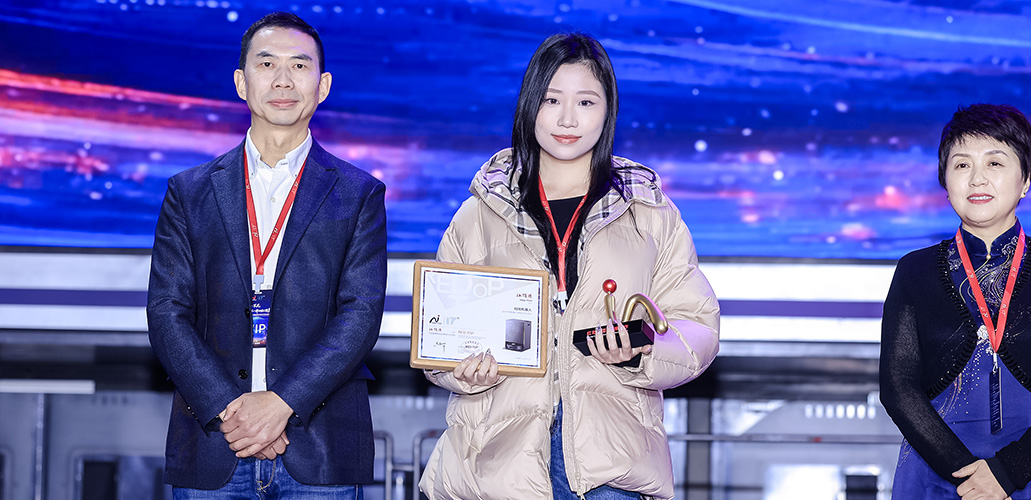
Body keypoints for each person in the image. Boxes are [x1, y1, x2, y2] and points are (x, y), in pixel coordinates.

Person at [418, 33, 720, 500]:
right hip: (498, 464)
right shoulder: (479, 214)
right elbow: (438, 334)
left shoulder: (649, 212)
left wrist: (641, 352)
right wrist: (460, 372)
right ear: (529, 106)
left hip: (611, 465)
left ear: (607, 111)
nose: (567, 119)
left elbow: (698, 327)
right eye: (551, 99)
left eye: (585, 102)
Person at [146, 12, 386, 498]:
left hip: (319, 447)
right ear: (241, 82)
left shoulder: (359, 193)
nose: (282, 80)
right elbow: (167, 311)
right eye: (267, 63)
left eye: (299, 66)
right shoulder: (189, 192)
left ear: (322, 86)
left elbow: (360, 315)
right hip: (215, 440)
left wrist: (281, 404)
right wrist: (232, 412)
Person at [879, 104, 1031, 499]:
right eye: (962, 165)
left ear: (1026, 180)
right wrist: (969, 478)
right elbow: (898, 387)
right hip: (934, 474)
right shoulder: (914, 271)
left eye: (995, 163)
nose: (977, 178)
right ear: (945, 182)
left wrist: (1007, 472)